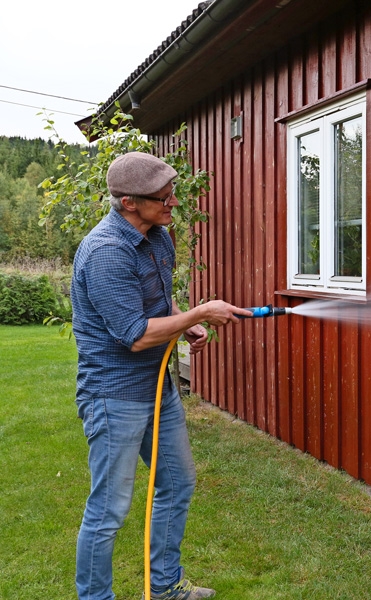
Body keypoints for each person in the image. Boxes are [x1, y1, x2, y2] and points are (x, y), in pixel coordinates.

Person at [70, 152, 251, 600]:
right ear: (129, 202)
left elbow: (154, 304)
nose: (174, 201)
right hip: (114, 395)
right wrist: (202, 311)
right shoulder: (107, 252)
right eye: (163, 196)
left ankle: (166, 585)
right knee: (109, 509)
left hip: (157, 390)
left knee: (177, 481)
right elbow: (133, 334)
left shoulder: (158, 237)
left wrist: (182, 319)